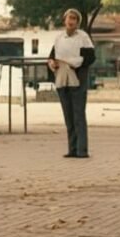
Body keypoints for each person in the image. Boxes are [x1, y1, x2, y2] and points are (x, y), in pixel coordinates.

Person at [47, 9, 96, 159]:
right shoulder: (59, 37)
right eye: (69, 18)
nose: (71, 21)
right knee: (68, 114)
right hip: (62, 76)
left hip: (77, 77)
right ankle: (72, 148)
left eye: (74, 19)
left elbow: (90, 57)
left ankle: (82, 150)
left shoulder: (83, 37)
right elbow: (52, 56)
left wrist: (75, 63)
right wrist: (51, 63)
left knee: (78, 114)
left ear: (77, 22)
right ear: (64, 20)